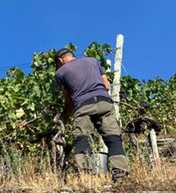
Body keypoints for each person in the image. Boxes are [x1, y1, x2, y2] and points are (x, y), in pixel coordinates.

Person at [54, 48, 128, 182]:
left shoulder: (60, 72)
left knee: (83, 138)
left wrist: (64, 119)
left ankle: (86, 176)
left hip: (83, 106)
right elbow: (106, 85)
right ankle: (120, 175)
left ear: (60, 60)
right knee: (113, 138)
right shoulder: (93, 61)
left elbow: (68, 101)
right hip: (104, 102)